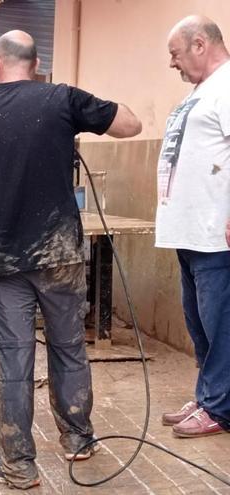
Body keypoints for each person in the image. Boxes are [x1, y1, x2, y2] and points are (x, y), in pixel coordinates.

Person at [0, 30, 141, 489]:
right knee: (69, 346)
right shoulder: (63, 98)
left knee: (14, 358)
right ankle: (77, 439)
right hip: (59, 252)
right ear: (36, 63)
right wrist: (72, 118)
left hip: (3, 255)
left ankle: (18, 465)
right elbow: (130, 124)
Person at [156, 15, 230, 439]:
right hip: (187, 230)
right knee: (199, 322)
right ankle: (209, 396)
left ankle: (220, 407)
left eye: (175, 53)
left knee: (220, 323)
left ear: (200, 44)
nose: (172, 63)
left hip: (213, 232)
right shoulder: (202, 91)